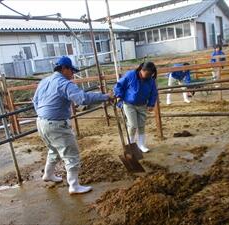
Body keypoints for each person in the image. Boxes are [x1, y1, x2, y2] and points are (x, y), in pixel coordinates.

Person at [33, 56, 112, 194]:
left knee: (53, 149)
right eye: (71, 71)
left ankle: (48, 174)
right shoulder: (64, 83)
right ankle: (74, 186)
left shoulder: (44, 81)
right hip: (55, 123)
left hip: (41, 122)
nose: (73, 74)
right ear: (64, 69)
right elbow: (82, 99)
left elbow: (34, 100)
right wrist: (105, 96)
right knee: (71, 154)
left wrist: (43, 113)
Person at [114, 62, 158, 153]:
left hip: (142, 105)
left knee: (141, 125)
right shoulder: (131, 75)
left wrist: (151, 104)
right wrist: (119, 98)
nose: (149, 76)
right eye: (148, 74)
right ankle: (131, 145)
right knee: (133, 125)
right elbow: (119, 86)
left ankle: (141, 145)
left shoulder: (151, 79)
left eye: (151, 74)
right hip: (129, 104)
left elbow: (154, 92)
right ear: (142, 70)